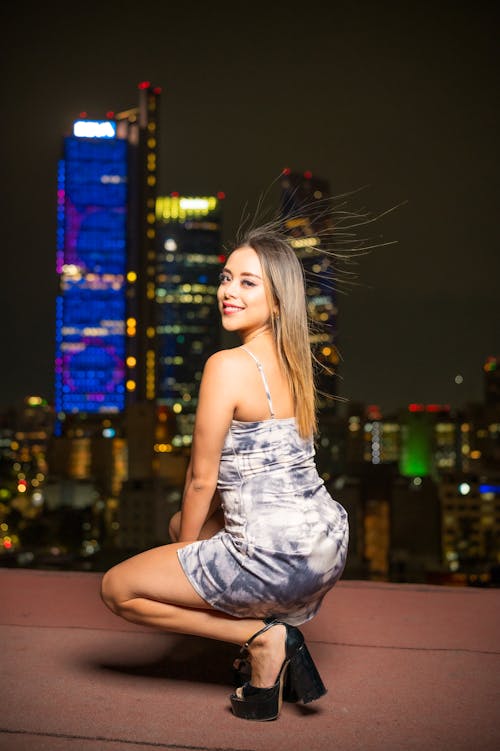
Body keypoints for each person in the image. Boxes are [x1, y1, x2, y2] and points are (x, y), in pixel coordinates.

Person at [101, 227, 349, 721]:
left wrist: (183, 554)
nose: (228, 291)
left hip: (275, 555)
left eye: (248, 283)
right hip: (326, 546)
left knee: (117, 588)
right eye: (226, 278)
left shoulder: (227, 365)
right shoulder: (299, 363)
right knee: (180, 525)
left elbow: (200, 478)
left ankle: (260, 639)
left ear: (278, 301)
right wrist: (186, 539)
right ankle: (262, 671)